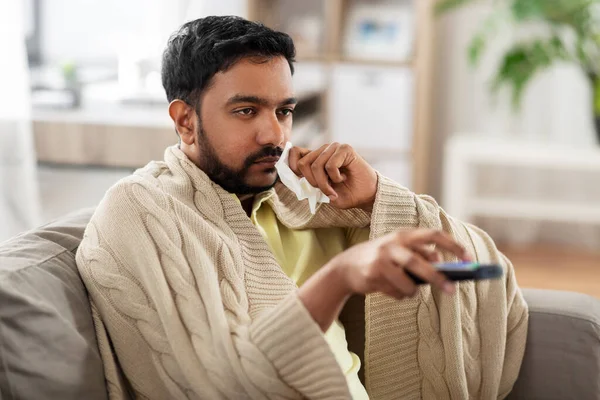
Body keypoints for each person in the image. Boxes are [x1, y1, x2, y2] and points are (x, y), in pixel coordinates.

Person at [76, 16, 528, 399]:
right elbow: (223, 382)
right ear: (185, 121)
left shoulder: (306, 204)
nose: (274, 135)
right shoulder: (140, 209)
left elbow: (488, 274)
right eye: (246, 111)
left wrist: (377, 197)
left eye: (284, 111)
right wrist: (341, 276)